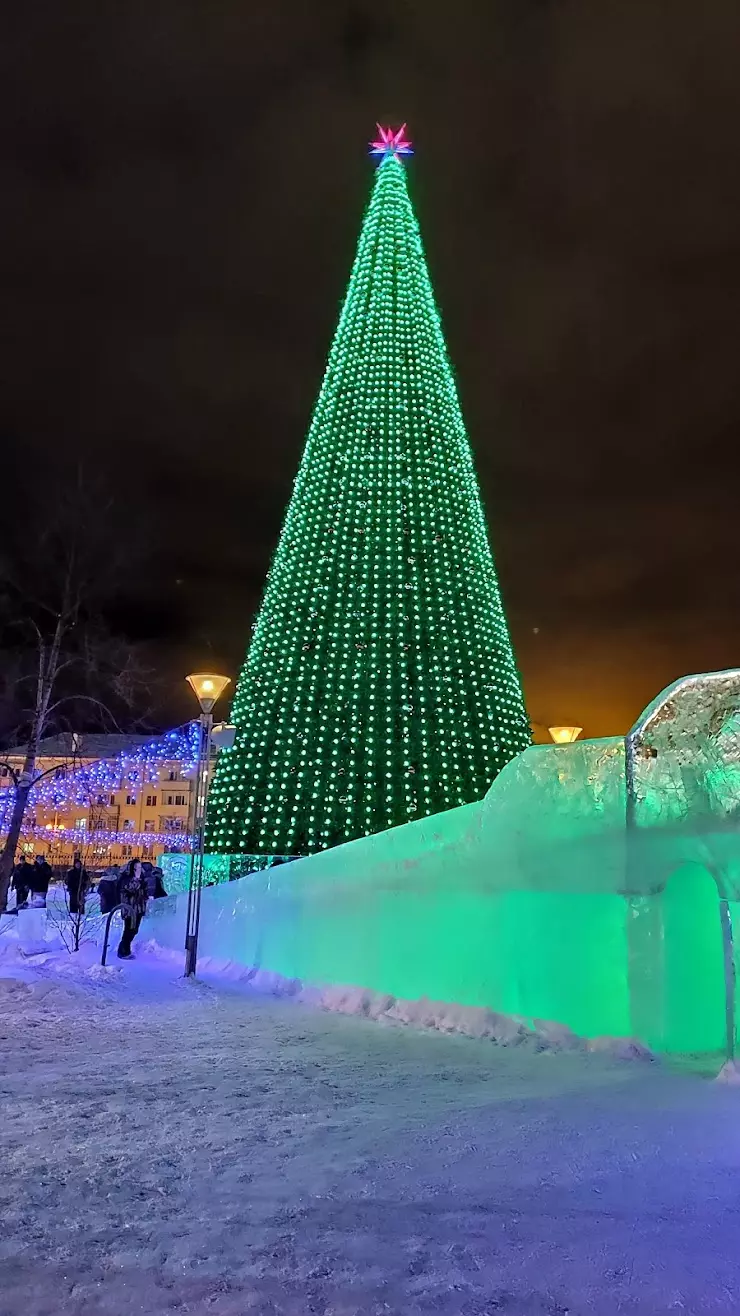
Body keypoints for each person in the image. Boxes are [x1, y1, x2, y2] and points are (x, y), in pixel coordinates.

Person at [117, 858, 149, 960]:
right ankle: (123, 951)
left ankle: (125, 949)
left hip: (138, 908)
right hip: (129, 909)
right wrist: (137, 879)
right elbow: (131, 888)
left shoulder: (141, 879)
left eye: (140, 867)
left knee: (134, 930)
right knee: (128, 930)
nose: (139, 869)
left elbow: (144, 891)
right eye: (137, 868)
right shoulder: (126, 879)